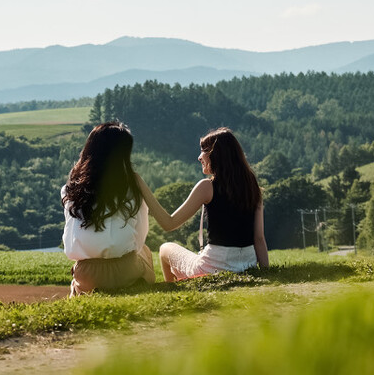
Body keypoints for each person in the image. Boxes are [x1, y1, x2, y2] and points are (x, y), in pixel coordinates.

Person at [135, 127, 269, 282]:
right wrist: (266, 272)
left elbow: (169, 224)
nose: (199, 157)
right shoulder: (253, 187)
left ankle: (172, 290)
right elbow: (259, 238)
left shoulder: (207, 187)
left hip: (212, 267)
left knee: (165, 248)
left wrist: (141, 186)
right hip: (247, 265)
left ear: (217, 154)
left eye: (204, 150)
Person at [61, 121, 156, 295]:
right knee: (145, 252)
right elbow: (139, 238)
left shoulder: (70, 191)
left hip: (87, 273)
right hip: (124, 271)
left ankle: (79, 292)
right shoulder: (132, 189)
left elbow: (70, 236)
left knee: (78, 276)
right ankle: (139, 287)